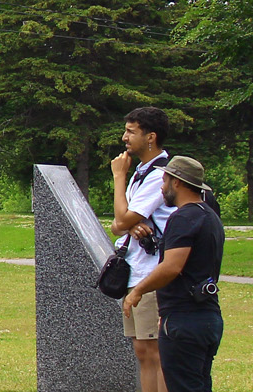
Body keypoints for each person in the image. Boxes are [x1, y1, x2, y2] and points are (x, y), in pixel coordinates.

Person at [124, 155, 224, 392]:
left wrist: (137, 291)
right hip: (208, 317)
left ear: (176, 182)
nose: (161, 186)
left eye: (164, 180)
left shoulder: (183, 217)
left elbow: (172, 266)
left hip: (184, 321)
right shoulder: (210, 216)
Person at [109, 106, 177, 392]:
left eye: (131, 131)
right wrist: (128, 223)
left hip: (151, 276)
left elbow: (122, 218)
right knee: (142, 351)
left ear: (151, 137)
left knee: (156, 353)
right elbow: (117, 225)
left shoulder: (157, 174)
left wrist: (118, 177)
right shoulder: (141, 172)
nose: (125, 137)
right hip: (135, 273)